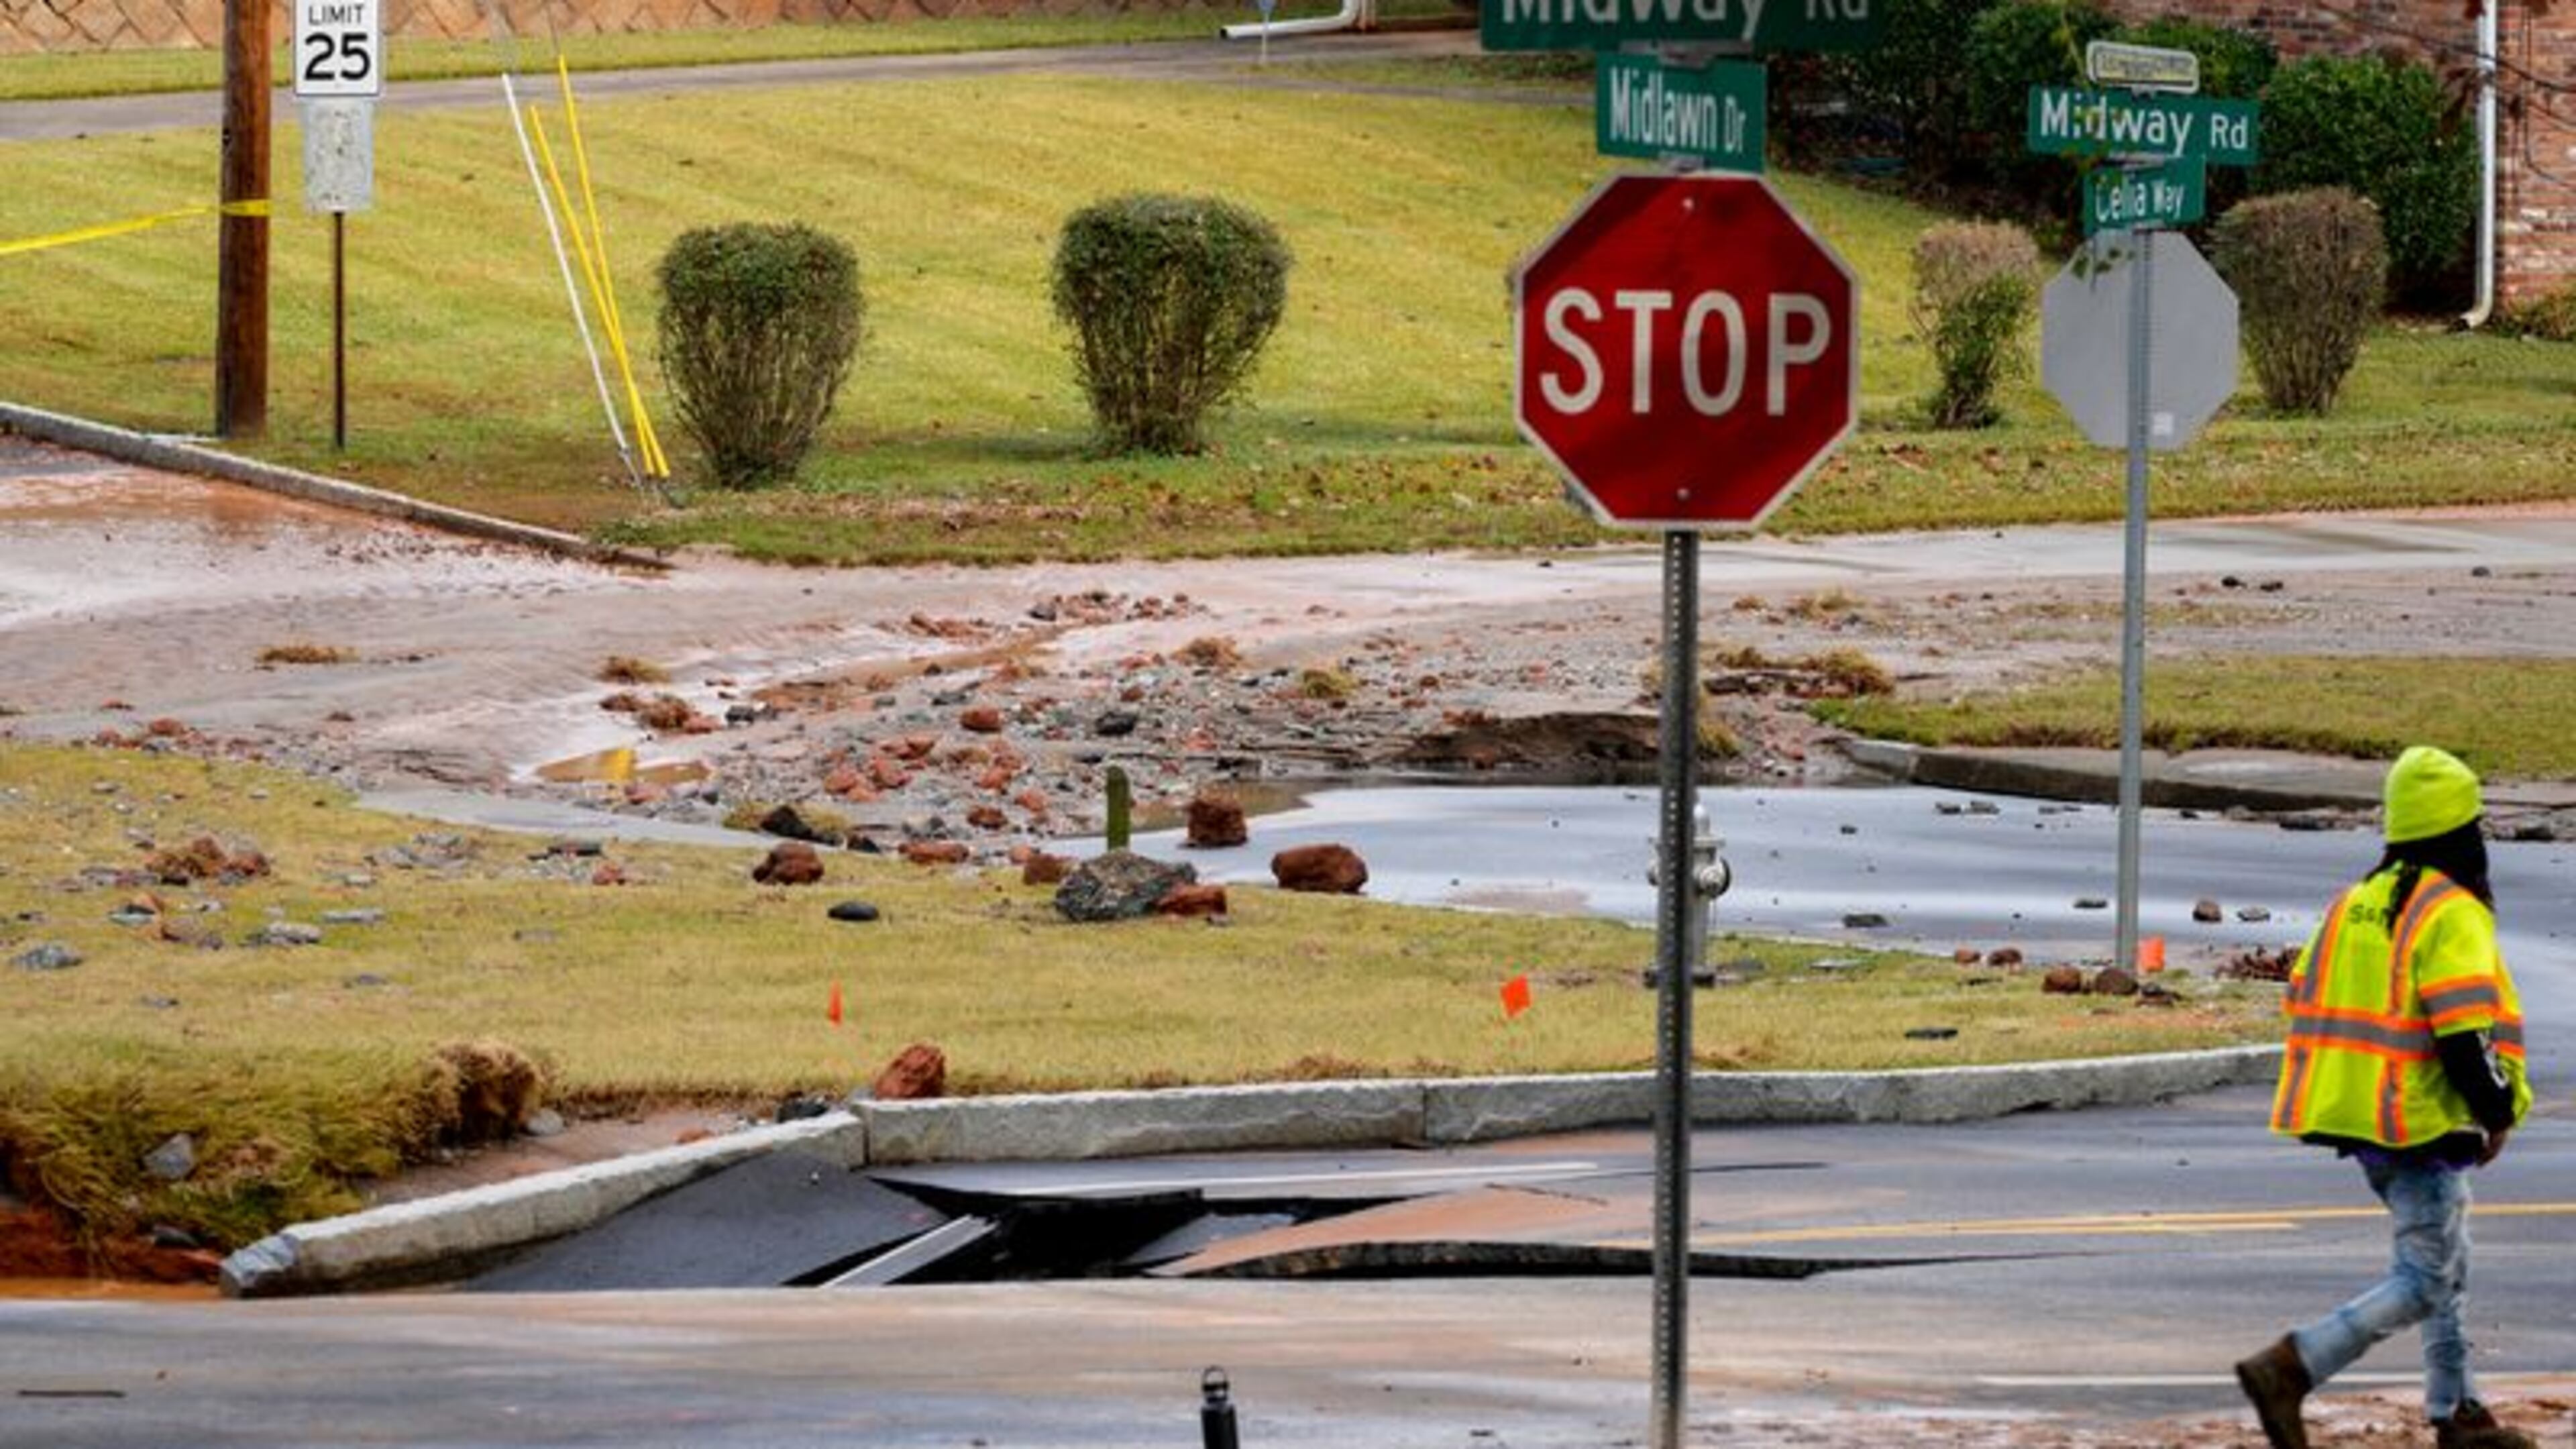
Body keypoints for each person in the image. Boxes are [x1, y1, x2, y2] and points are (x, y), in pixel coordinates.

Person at [2235, 745, 2534, 1449]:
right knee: (2425, 1279)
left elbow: (2308, 994)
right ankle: (2293, 1365)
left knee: (2447, 1263)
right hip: (2422, 1123)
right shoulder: (2450, 911)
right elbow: (2465, 1036)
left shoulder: (2359, 900)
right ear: (2462, 831)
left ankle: (2459, 1414)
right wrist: (2496, 1113)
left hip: (2362, 1119)